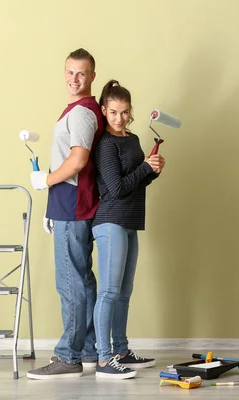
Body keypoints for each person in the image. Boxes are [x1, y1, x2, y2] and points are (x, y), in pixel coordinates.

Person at [26, 48, 105, 379]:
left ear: (92, 77)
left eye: (81, 73)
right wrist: (50, 203)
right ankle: (87, 349)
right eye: (70, 72)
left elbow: (77, 161)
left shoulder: (83, 113)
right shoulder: (75, 110)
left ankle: (68, 357)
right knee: (82, 280)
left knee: (70, 282)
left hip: (73, 205)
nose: (75, 79)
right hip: (66, 204)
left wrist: (44, 180)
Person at [91, 79, 164, 379]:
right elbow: (117, 188)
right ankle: (104, 360)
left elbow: (137, 180)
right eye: (114, 112)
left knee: (124, 293)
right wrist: (146, 168)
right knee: (108, 292)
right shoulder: (105, 145)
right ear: (105, 111)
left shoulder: (131, 140)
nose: (120, 118)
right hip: (110, 221)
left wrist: (153, 170)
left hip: (130, 220)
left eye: (125, 112)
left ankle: (121, 351)